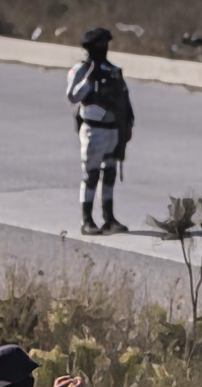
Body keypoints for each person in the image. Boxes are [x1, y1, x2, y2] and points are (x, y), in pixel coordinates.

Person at [66, 27, 134, 236]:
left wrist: (128, 124)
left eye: (105, 44)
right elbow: (72, 96)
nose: (102, 48)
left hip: (113, 130)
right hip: (93, 130)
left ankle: (109, 218)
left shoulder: (112, 70)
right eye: (99, 45)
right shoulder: (80, 70)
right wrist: (89, 78)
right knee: (91, 175)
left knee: (110, 173)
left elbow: (124, 98)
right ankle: (86, 220)